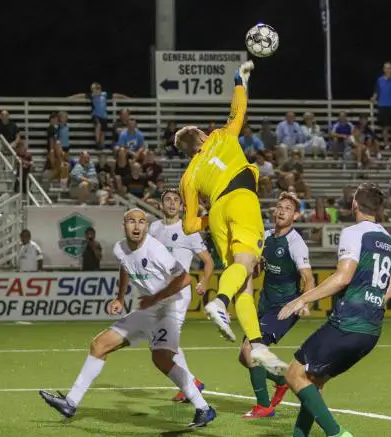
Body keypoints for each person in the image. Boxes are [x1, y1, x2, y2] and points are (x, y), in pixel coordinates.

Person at [38, 209, 216, 428]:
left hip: (171, 305)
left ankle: (204, 409)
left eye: (142, 222)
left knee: (161, 358)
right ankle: (70, 403)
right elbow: (125, 267)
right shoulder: (119, 248)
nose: (137, 226)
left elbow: (185, 278)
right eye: (132, 221)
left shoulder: (156, 250)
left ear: (146, 227)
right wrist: (120, 298)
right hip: (150, 306)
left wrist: (155, 298)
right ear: (124, 225)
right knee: (99, 345)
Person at [174, 61, 287, 375]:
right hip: (240, 198)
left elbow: (188, 225)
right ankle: (219, 301)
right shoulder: (221, 137)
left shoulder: (187, 177)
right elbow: (239, 111)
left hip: (218, 215)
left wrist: (210, 219)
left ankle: (258, 345)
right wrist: (240, 81)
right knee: (246, 266)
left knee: (246, 284)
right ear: (200, 135)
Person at [278, 183, 391, 437]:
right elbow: (389, 292)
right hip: (371, 331)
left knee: (294, 373)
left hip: (348, 324)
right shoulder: (389, 241)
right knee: (313, 381)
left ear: (354, 204)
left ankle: (336, 433)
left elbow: (343, 277)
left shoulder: (354, 233)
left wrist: (301, 300)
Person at [239, 192, 314, 418]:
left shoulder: (296, 243)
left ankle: (264, 407)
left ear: (295, 215)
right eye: (279, 207)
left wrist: (303, 303)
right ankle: (282, 381)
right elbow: (260, 268)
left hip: (284, 308)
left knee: (250, 351)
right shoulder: (267, 236)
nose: (281, 211)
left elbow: (309, 279)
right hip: (265, 303)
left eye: (288, 209)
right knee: (245, 357)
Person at [149, 189, 214, 403]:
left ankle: (190, 384)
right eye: (167, 199)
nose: (171, 203)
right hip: (159, 293)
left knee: (165, 341)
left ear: (182, 206)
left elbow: (208, 261)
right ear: (161, 204)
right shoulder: (154, 228)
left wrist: (204, 281)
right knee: (160, 342)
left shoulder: (188, 230)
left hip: (179, 293)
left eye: (176, 200)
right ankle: (190, 382)